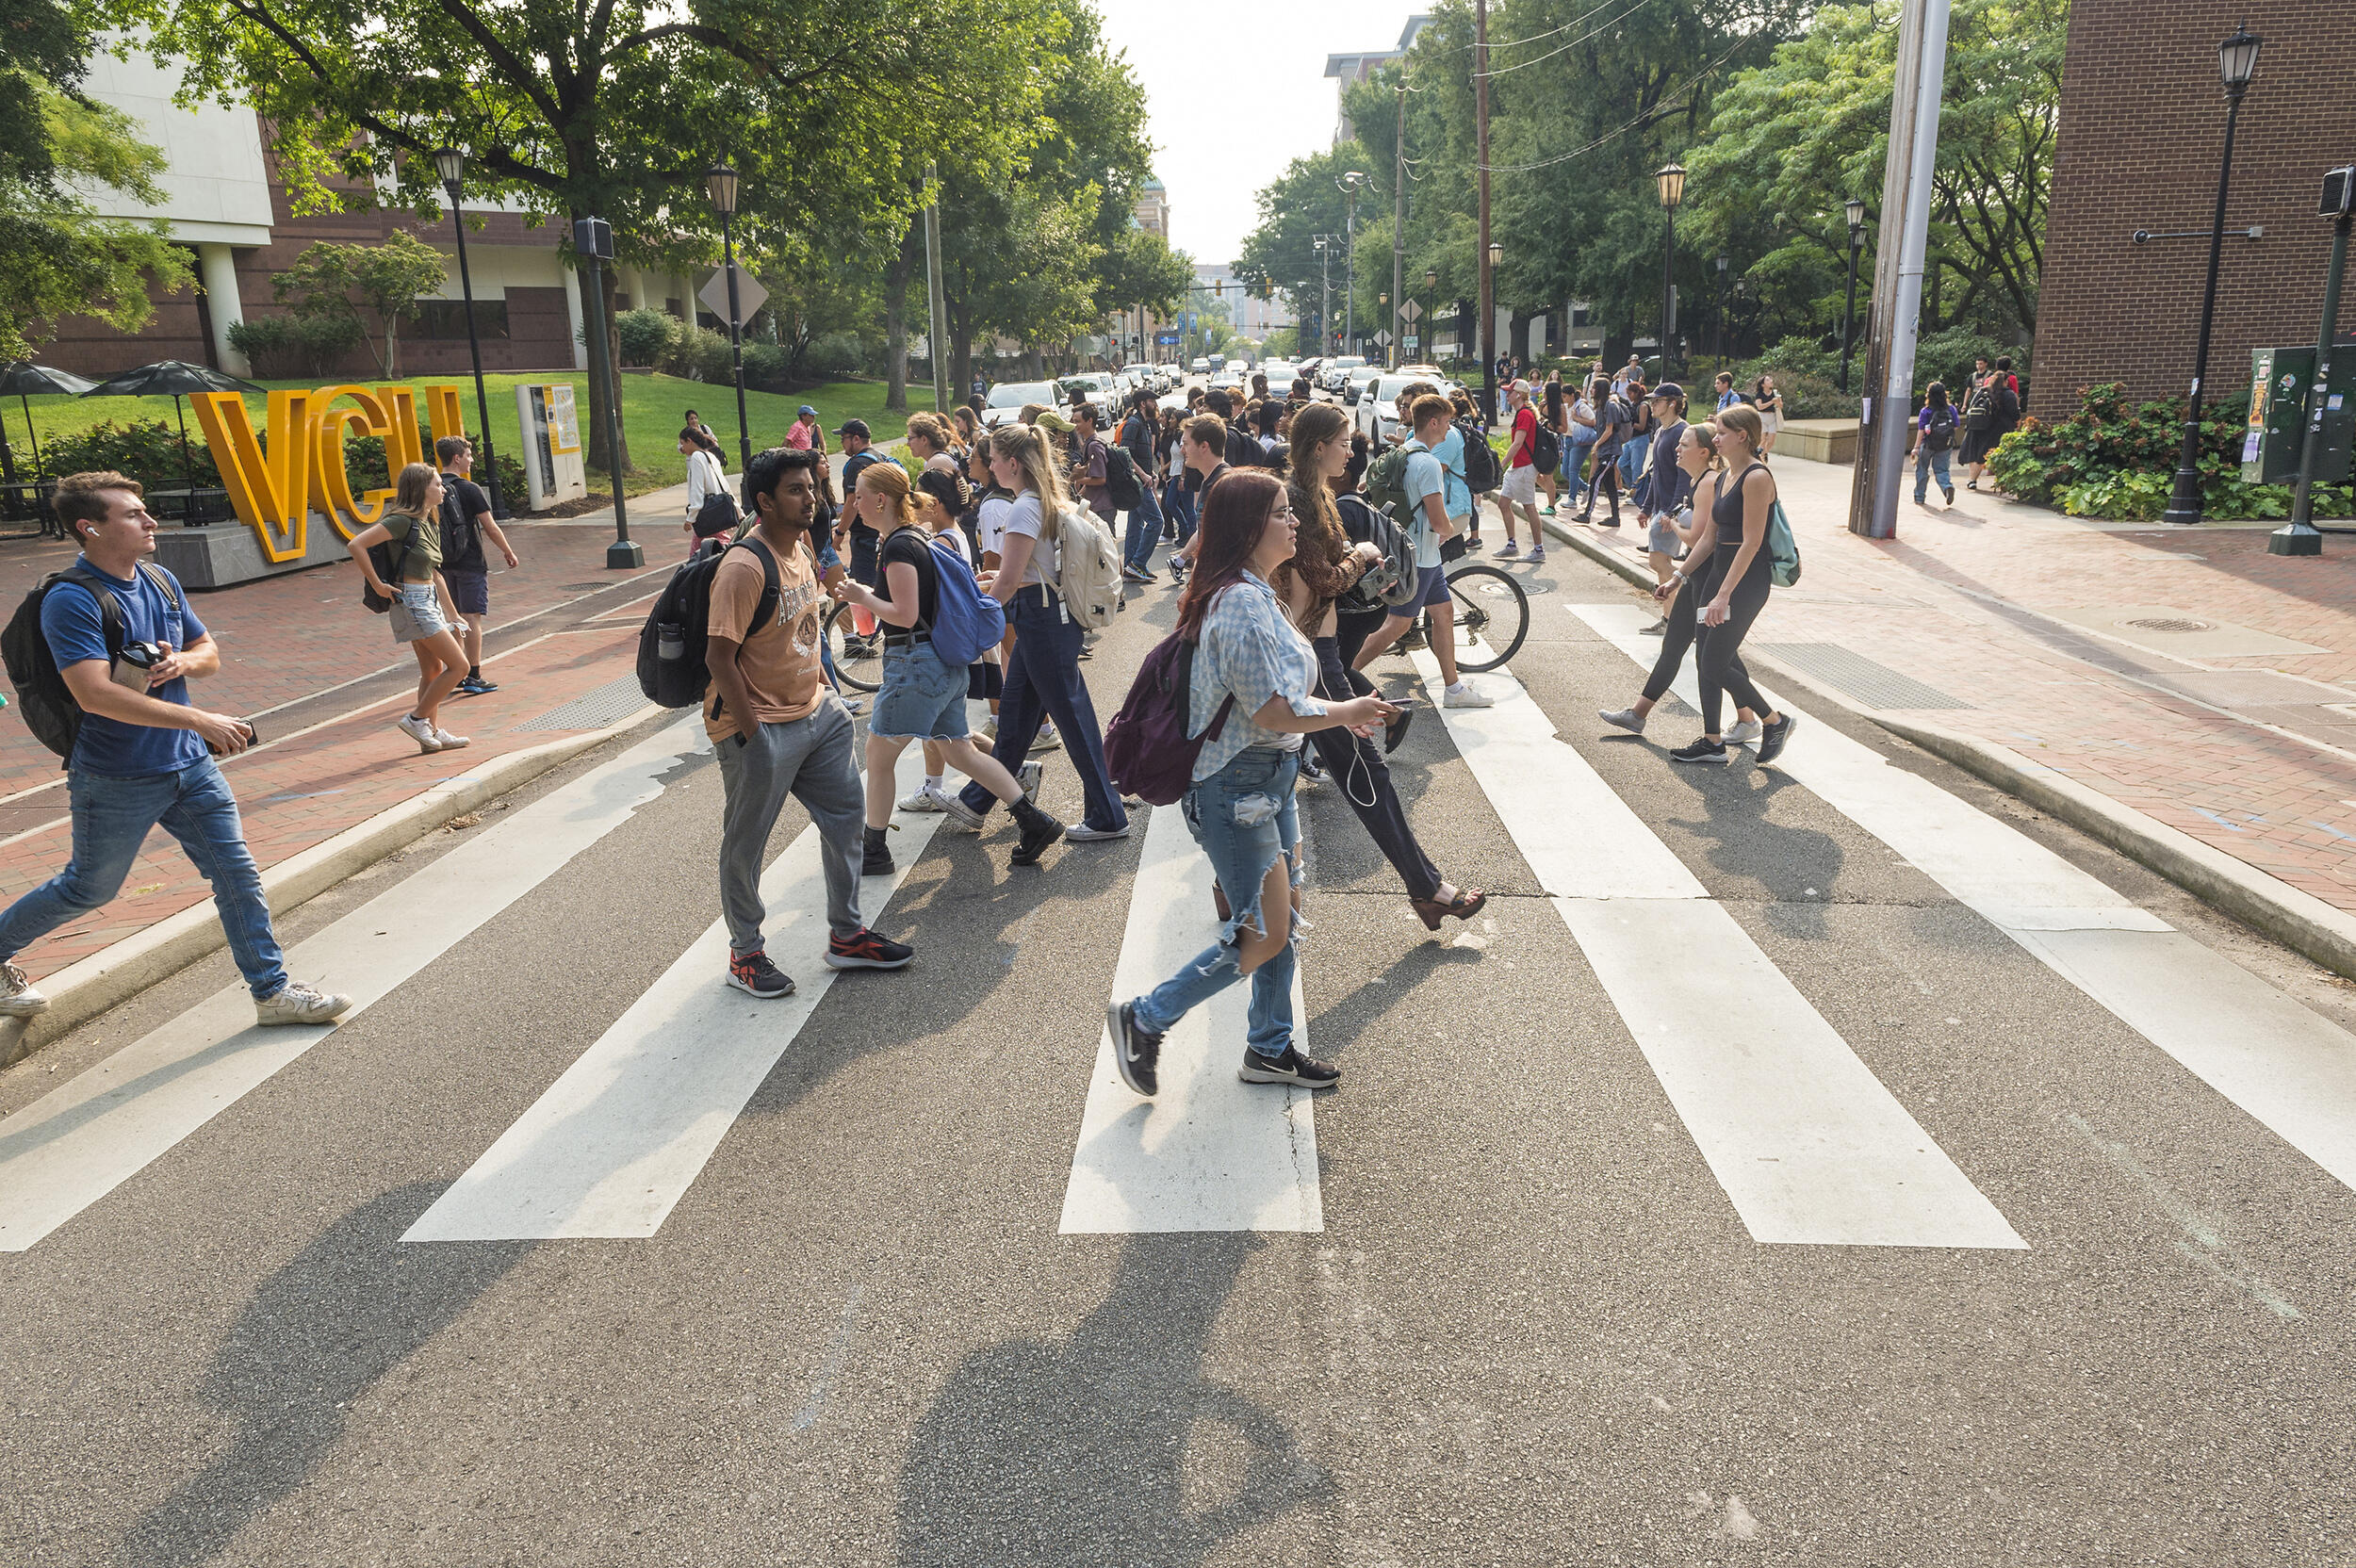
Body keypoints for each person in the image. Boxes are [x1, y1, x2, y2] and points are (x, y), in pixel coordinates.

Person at [0, 471, 351, 1026]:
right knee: (88, 889)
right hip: (118, 774)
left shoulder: (160, 580)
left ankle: (272, 993)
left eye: (145, 510)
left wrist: (182, 663)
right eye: (133, 514)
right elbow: (93, 695)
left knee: (237, 875)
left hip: (190, 766)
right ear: (90, 528)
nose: (150, 520)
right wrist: (199, 718)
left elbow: (207, 649)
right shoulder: (71, 600)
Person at [1104, 470, 1403, 1098]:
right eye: (1278, 514)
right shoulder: (1239, 604)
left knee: (1281, 920)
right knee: (1264, 929)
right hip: (1235, 788)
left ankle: (1268, 1049)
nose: (1293, 522)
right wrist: (1346, 714)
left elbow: (1279, 701)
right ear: (1246, 529)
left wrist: (1340, 711)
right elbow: (1270, 709)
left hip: (1267, 777)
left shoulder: (1256, 592)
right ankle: (1147, 1017)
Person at [709, 446, 913, 998]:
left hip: (815, 715)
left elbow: (803, 626)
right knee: (746, 845)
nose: (810, 499)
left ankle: (847, 936)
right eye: (795, 490)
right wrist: (754, 734)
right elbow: (719, 658)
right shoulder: (744, 567)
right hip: (759, 727)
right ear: (764, 502)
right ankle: (745, 955)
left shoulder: (799, 546)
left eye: (811, 487)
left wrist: (824, 692)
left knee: (847, 820)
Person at [1280, 406, 1487, 930]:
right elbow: (1321, 581)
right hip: (1309, 656)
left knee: (1291, 772)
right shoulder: (1297, 500)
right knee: (1362, 771)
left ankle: (1425, 888)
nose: (1352, 451)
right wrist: (1361, 555)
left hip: (1319, 655)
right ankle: (1428, 888)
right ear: (1317, 447)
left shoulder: (1320, 497)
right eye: (1344, 442)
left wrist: (1362, 563)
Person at [832, 460, 1064, 873]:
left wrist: (861, 595)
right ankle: (1033, 820)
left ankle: (875, 850)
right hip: (940, 664)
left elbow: (904, 614)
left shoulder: (900, 545)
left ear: (881, 499)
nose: (855, 503)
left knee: (878, 753)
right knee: (960, 751)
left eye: (860, 495)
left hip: (915, 665)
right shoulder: (917, 537)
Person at [955, 425, 1130, 845]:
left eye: (994, 458)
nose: (991, 465)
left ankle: (1108, 814)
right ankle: (977, 798)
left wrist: (977, 617)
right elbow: (1036, 570)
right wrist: (1000, 579)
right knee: (1016, 717)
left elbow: (1012, 581)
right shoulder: (1045, 500)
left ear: (1013, 463)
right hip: (1051, 618)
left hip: (1041, 620)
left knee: (1073, 719)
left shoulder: (1022, 508)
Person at [1596, 422, 1764, 745]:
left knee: (1716, 656)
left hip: (1707, 577)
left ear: (1704, 452)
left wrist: (1673, 527)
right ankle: (1639, 714)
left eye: (1684, 445)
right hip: (1696, 576)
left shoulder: (1708, 483)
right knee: (1678, 647)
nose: (1677, 448)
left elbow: (1703, 539)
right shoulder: (1698, 482)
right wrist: (1678, 577)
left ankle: (1754, 720)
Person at [1666, 405, 1796, 766]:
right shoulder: (1726, 476)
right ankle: (1712, 741)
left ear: (1743, 436)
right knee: (1703, 656)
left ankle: (1775, 721)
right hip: (1716, 576)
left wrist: (1724, 595)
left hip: (1745, 582)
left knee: (1714, 663)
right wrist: (1679, 576)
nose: (1716, 437)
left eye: (1722, 432)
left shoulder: (1757, 477)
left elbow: (1752, 542)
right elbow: (1708, 537)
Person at [1350, 393, 1494, 710]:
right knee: (1398, 625)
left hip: (1415, 553)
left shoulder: (1402, 453)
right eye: (1445, 423)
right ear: (1433, 422)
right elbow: (1438, 519)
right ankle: (1343, 678)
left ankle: (1454, 689)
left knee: (1443, 613)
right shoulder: (1428, 464)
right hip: (1419, 559)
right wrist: (1450, 531)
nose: (1448, 431)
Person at [348, 463, 470, 754]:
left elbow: (435, 573)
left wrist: (453, 615)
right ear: (420, 489)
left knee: (432, 670)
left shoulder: (429, 521)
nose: (444, 489)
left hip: (427, 598)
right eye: (438, 484)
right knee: (460, 666)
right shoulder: (401, 520)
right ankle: (417, 720)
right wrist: (377, 584)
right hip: (412, 601)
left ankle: (431, 734)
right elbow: (357, 544)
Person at [434, 435, 517, 695]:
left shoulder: (433, 486)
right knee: (471, 618)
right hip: (470, 561)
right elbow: (490, 527)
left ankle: (455, 673)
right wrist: (508, 551)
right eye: (468, 456)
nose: (471, 460)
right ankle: (474, 674)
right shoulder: (470, 489)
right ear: (457, 458)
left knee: (454, 617)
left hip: (442, 563)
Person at [1632, 383, 1690, 632]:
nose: (1652, 404)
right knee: (1660, 564)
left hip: (1671, 511)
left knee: (1658, 563)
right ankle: (1670, 620)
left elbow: (1684, 477)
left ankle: (1686, 602)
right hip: (1660, 509)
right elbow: (1656, 475)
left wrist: (1671, 511)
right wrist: (1646, 507)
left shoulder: (1682, 432)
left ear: (1673, 404)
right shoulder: (1661, 431)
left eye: (1657, 401)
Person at [834, 418, 886, 653]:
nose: (843, 444)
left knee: (864, 587)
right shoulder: (879, 457)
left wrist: (839, 532)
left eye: (844, 439)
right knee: (877, 584)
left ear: (856, 439)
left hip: (863, 534)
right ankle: (873, 634)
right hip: (880, 530)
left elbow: (850, 504)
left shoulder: (856, 464)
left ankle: (867, 639)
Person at [1491, 380, 1545, 562]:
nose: (1507, 395)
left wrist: (1502, 464)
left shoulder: (1524, 415)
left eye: (1510, 392)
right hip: (1519, 467)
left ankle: (1538, 550)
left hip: (1523, 468)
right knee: (1503, 503)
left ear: (1519, 395)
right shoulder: (1524, 413)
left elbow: (1518, 443)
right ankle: (1512, 545)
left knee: (1529, 508)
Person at [1117, 389, 1167, 583]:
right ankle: (1137, 563)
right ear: (1143, 403)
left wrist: (1151, 472)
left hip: (1142, 480)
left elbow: (1140, 456)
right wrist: (1143, 474)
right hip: (1137, 483)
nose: (1155, 405)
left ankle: (1131, 567)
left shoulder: (1144, 424)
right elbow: (1125, 454)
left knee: (1136, 524)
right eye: (1152, 401)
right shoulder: (1134, 423)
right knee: (1156, 521)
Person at [1580, 376, 1628, 528]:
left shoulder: (1610, 406)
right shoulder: (1600, 407)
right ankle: (1615, 518)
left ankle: (1587, 514)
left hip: (1611, 451)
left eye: (1593, 387)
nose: (1590, 390)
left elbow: (1609, 430)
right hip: (1604, 450)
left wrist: (1596, 444)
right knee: (1609, 485)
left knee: (1595, 480)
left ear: (1600, 390)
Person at [1912, 380, 1959, 507]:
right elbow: (1955, 426)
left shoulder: (1926, 411)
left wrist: (1916, 447)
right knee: (1942, 470)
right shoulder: (1951, 409)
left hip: (1928, 444)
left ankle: (1919, 497)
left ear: (1929, 395)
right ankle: (1947, 487)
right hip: (1945, 445)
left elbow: (1921, 430)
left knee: (1922, 469)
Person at [1069, 402, 1114, 524]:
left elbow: (1100, 479)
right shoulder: (1089, 443)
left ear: (1089, 421)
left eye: (1077, 421)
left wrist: (1077, 479)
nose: (1075, 425)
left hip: (1103, 506)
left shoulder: (1094, 445)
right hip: (1097, 504)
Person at [682, 430, 730, 519]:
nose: (682, 447)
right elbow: (725, 486)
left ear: (689, 441)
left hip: (707, 514)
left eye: (682, 443)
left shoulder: (696, 456)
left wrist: (691, 517)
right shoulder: (711, 456)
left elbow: (697, 488)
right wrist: (739, 513)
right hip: (719, 509)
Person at [1752, 374, 1784, 456]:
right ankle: (1761, 457)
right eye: (1768, 380)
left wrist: (1777, 402)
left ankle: (1763, 453)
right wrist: (1772, 402)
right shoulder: (1759, 394)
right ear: (1763, 384)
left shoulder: (1775, 393)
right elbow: (1760, 407)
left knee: (1771, 441)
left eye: (1770, 380)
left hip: (1772, 417)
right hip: (1762, 417)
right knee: (1762, 440)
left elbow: (1781, 406)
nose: (1771, 381)